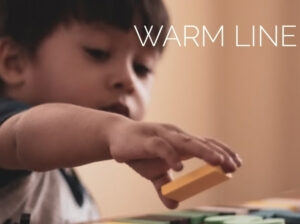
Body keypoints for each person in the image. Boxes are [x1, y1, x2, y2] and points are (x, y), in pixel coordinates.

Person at [0, 0, 242, 223]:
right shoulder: (10, 138)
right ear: (15, 62)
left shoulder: (70, 187)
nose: (128, 79)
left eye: (142, 68)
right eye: (98, 52)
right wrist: (111, 129)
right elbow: (22, 137)